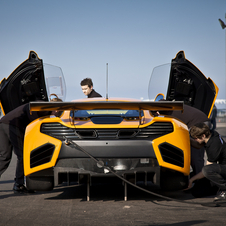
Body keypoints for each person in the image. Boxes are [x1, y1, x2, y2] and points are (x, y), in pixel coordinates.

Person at [0, 94, 62, 194]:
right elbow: (32, 115)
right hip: (12, 125)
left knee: (4, 156)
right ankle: (18, 184)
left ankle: (18, 183)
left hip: (3, 123)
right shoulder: (45, 108)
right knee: (23, 156)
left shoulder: (44, 107)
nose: (59, 113)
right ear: (57, 108)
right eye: (60, 111)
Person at [154, 101, 210, 176]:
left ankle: (200, 179)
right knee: (196, 153)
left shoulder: (168, 113)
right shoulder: (175, 108)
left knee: (195, 155)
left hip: (197, 124)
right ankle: (198, 175)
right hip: (202, 121)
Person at [187, 123, 226, 201]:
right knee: (197, 192)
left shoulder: (214, 147)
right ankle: (217, 187)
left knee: (207, 170)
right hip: (221, 167)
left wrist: (191, 180)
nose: (195, 140)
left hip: (224, 168)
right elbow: (198, 145)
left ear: (203, 136)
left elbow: (206, 170)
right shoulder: (212, 134)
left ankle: (224, 190)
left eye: (196, 138)